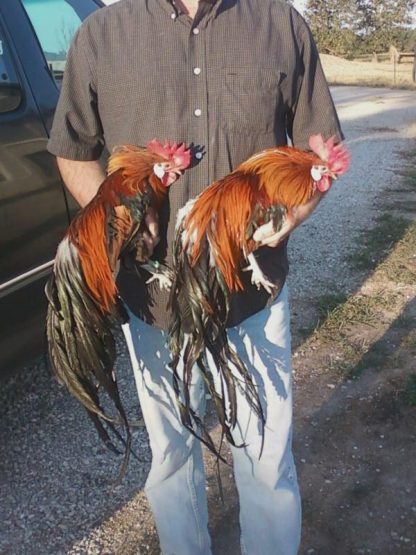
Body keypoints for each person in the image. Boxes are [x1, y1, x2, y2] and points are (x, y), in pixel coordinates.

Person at [48, 1, 343, 553]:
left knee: (266, 458)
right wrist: (120, 215)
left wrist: (291, 215)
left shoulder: (281, 25)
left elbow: (317, 148)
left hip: (251, 294)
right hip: (154, 301)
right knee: (173, 455)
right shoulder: (101, 34)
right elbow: (72, 150)